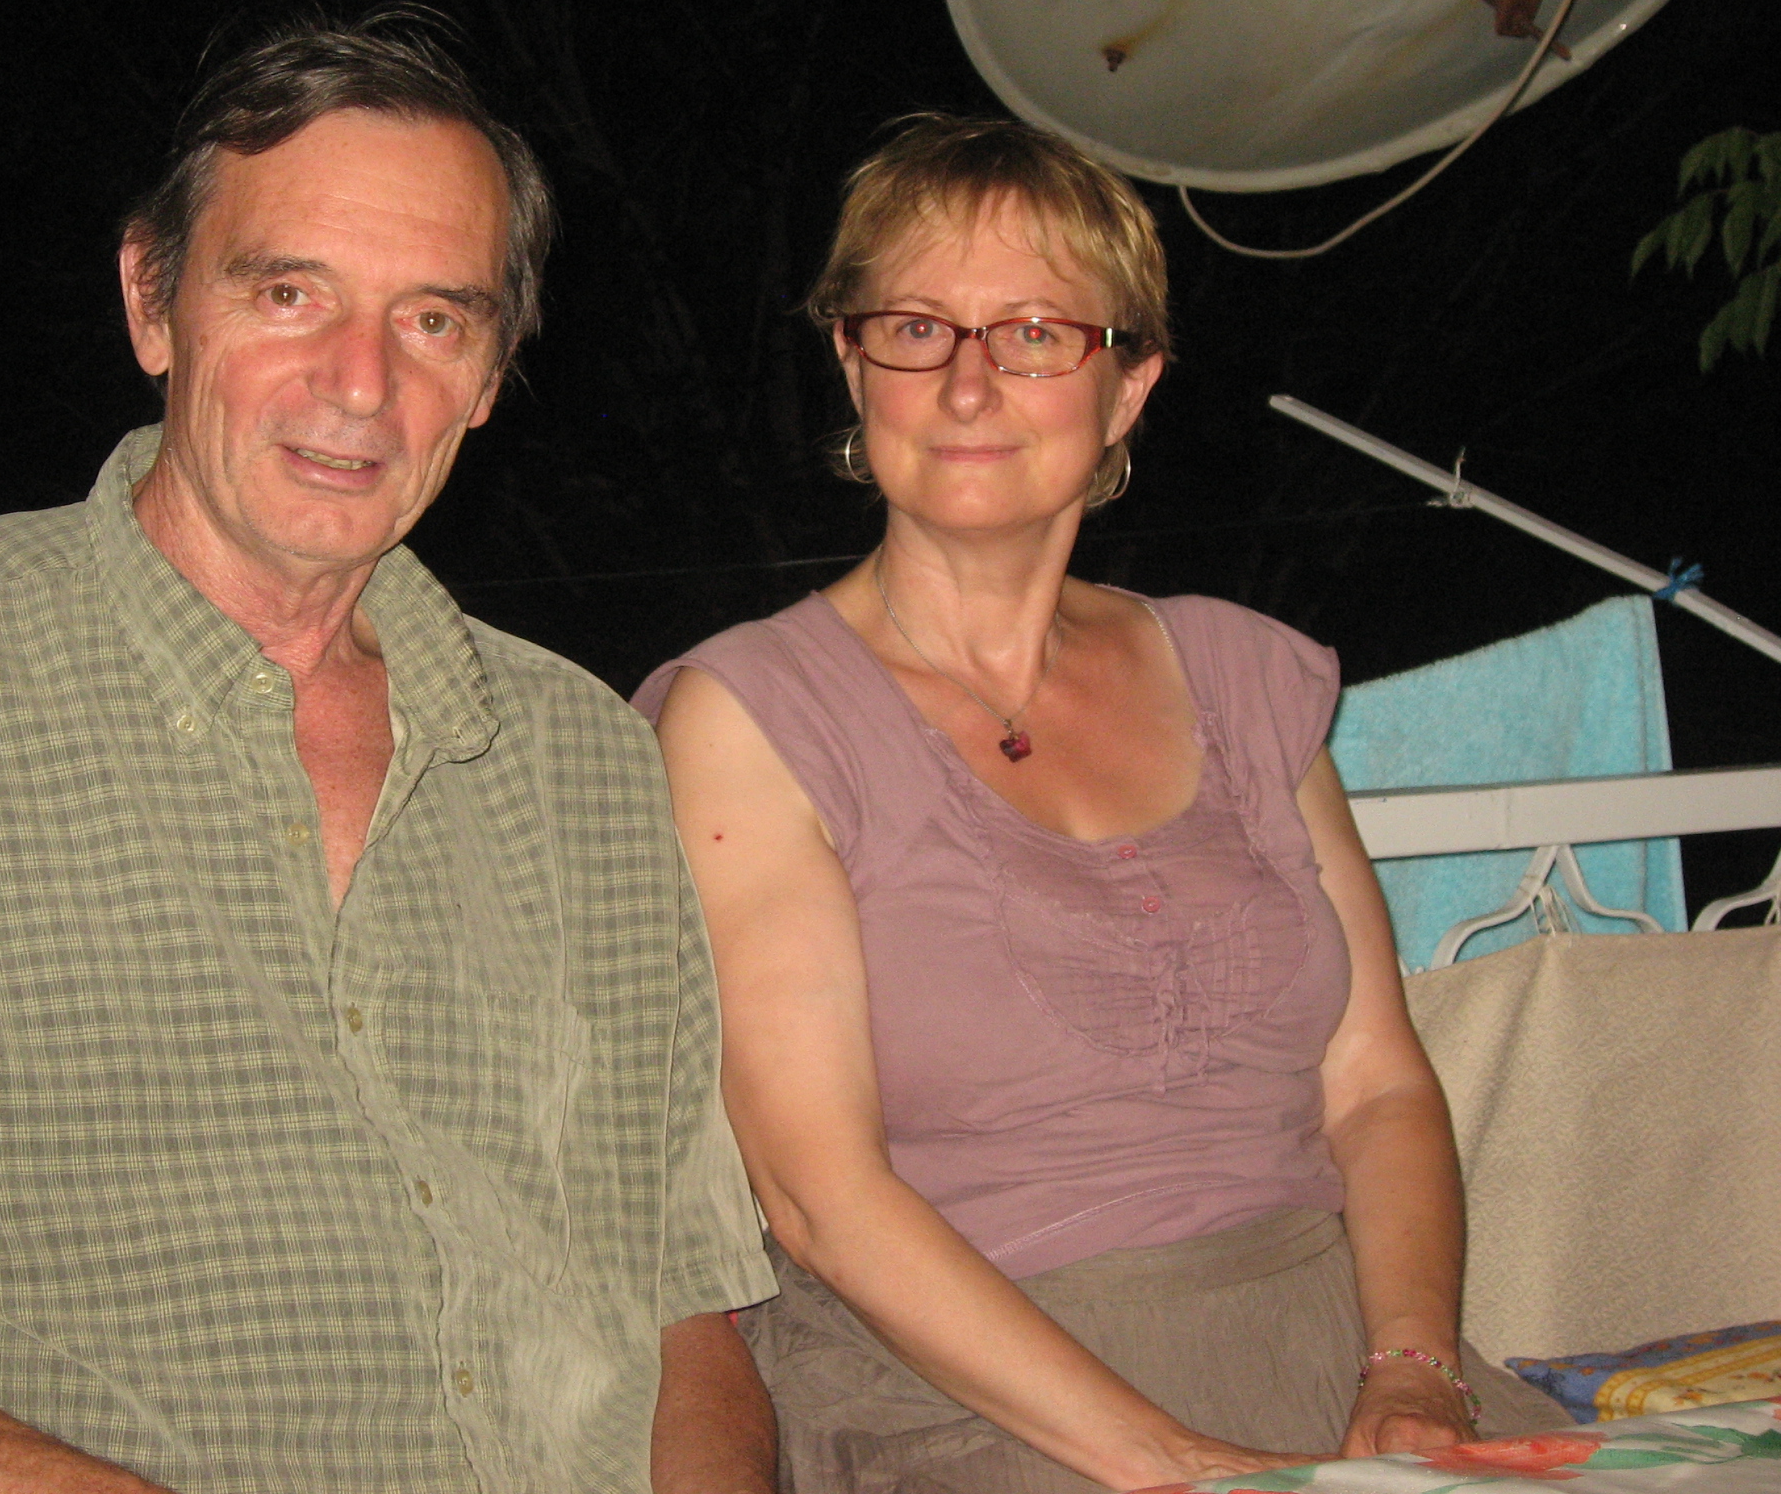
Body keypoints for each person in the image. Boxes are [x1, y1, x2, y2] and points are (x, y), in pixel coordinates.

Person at [0, 14, 777, 1494]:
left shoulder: (584, 759)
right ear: (153, 301)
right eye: (289, 292)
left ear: (493, 371)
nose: (360, 381)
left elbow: (684, 1318)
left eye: (435, 319)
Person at [636, 114, 1569, 1494]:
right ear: (852, 362)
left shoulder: (1241, 674)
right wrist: (1181, 1463)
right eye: (916, 330)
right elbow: (821, 1201)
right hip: (974, 1398)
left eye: (1034, 334)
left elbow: (1374, 1082)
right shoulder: (755, 717)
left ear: (1128, 387)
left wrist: (1414, 1367)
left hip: (1338, 1352)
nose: (968, 386)